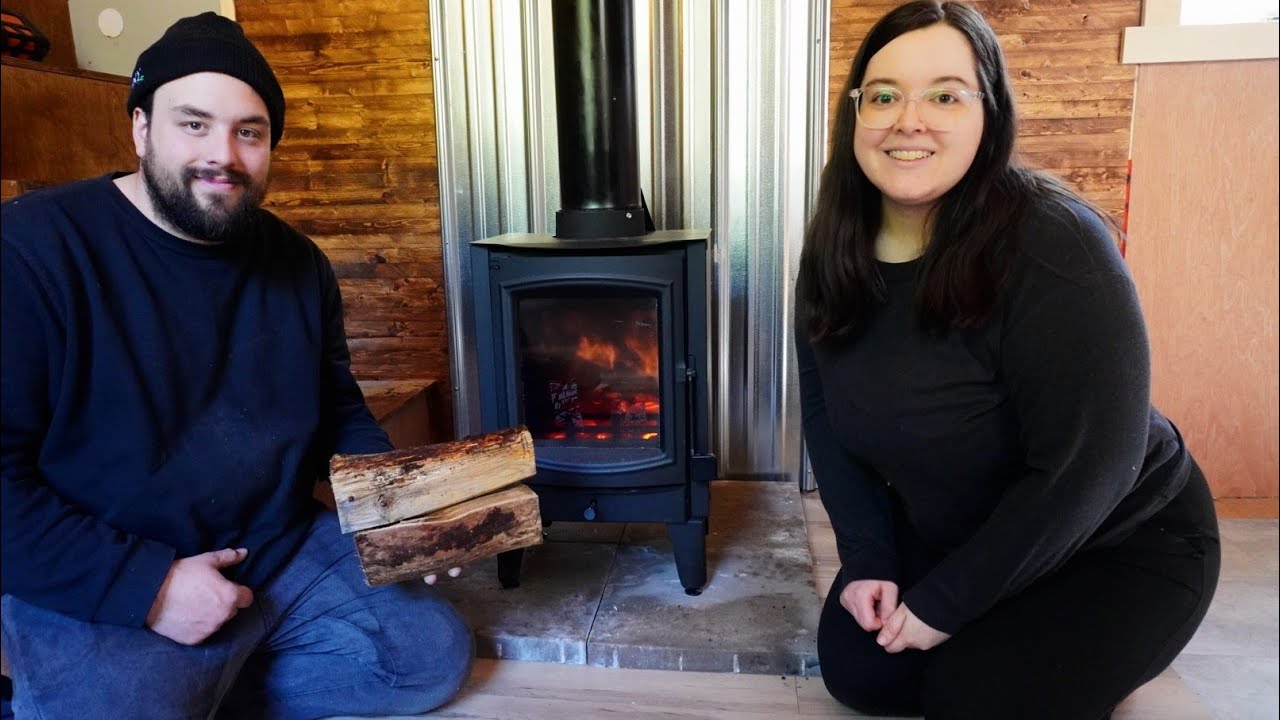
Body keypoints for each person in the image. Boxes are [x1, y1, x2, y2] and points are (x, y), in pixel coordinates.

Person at [0, 12, 472, 719]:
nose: (222, 154)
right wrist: (147, 587)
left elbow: (338, 411)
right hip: (110, 559)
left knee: (428, 659)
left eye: (248, 131)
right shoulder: (32, 252)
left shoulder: (299, 265)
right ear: (140, 127)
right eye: (193, 124)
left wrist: (392, 510)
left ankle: (210, 686)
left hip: (275, 546)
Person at [795, 2, 1220, 718]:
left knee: (973, 698)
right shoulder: (836, 249)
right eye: (885, 94)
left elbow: (1094, 466)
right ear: (855, 112)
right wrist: (869, 558)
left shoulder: (1053, 244)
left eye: (945, 95)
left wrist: (948, 603)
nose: (910, 119)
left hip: (1119, 539)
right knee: (860, 673)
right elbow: (824, 418)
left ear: (988, 112)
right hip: (963, 529)